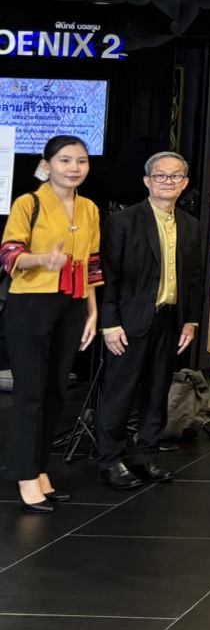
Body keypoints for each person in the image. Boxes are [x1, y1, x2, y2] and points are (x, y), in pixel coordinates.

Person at [0, 135, 101, 511]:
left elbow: (92, 264)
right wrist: (43, 259)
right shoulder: (29, 203)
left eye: (81, 161)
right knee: (30, 392)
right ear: (47, 164)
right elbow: (10, 255)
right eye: (65, 161)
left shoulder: (89, 208)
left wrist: (92, 311)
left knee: (57, 391)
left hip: (72, 304)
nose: (74, 168)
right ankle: (25, 475)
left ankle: (41, 469)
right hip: (31, 304)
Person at [96, 152, 205, 491]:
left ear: (185, 183)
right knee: (120, 392)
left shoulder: (191, 225)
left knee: (158, 393)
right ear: (147, 181)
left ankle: (145, 457)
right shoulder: (123, 222)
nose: (168, 182)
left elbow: (195, 280)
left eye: (175, 177)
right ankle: (110, 460)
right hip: (128, 323)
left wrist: (190, 323)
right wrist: (109, 323)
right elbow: (108, 278)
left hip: (169, 321)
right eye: (161, 176)